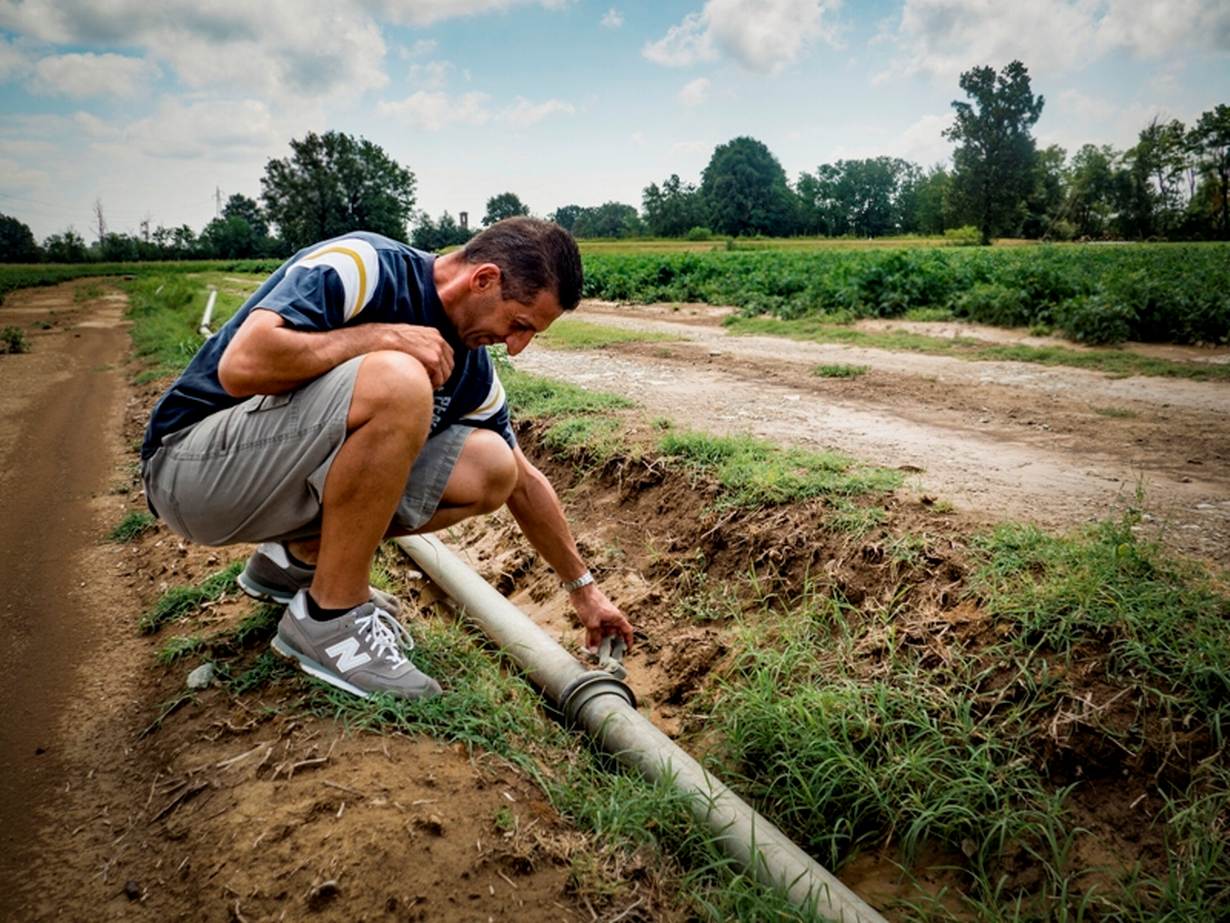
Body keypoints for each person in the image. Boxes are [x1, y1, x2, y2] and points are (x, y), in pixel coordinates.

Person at [140, 218, 633, 700]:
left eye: (531, 335)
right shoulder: (365, 268)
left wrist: (584, 591)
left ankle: (298, 560)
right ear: (484, 280)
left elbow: (522, 480)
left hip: (261, 485)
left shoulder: (472, 370)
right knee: (399, 379)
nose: (517, 347)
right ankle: (332, 618)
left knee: (493, 464)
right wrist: (385, 337)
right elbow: (241, 364)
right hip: (190, 470)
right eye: (519, 324)